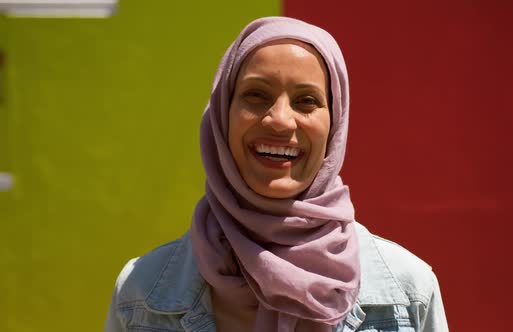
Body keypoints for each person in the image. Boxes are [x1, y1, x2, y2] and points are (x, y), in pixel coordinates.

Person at [104, 16, 449, 332]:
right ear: (223, 115)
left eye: (307, 101)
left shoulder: (409, 293)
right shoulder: (141, 293)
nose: (280, 120)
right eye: (256, 95)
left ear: (335, 124)